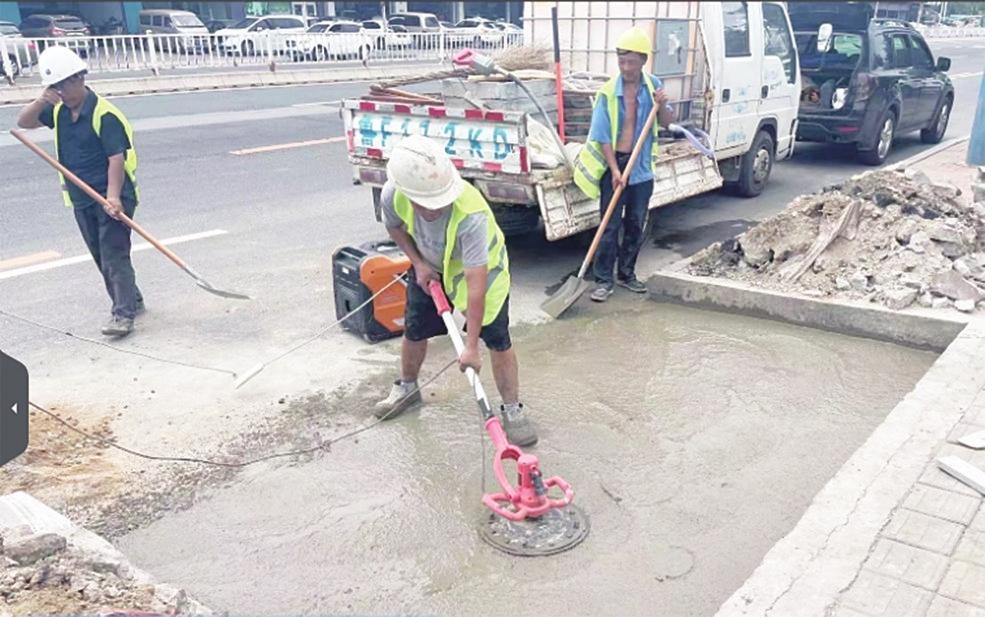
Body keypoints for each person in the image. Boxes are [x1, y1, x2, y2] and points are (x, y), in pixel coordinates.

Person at [373, 135, 537, 447]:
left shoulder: (470, 213)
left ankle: (512, 408)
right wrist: (418, 264)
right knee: (415, 329)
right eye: (426, 205)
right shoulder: (394, 194)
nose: (435, 209)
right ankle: (408, 388)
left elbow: (477, 285)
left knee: (498, 340)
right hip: (429, 268)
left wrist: (471, 346)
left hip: (483, 275)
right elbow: (394, 227)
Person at [17, 47, 143, 337]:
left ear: (79, 79)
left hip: (113, 196)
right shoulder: (58, 110)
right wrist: (40, 100)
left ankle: (123, 315)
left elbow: (116, 159)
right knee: (101, 255)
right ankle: (132, 299)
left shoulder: (104, 114)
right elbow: (23, 122)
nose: (61, 92)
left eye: (64, 84)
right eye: (55, 87)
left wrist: (113, 198)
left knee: (114, 254)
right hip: (81, 197)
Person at [573, 26, 675, 302]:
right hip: (614, 163)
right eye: (621, 61)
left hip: (641, 167)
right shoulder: (608, 92)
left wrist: (662, 104)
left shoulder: (654, 86)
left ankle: (627, 274)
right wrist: (615, 170)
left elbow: (665, 122)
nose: (626, 67)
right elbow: (602, 135)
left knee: (635, 223)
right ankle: (603, 280)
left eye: (631, 61)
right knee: (609, 225)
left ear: (643, 60)